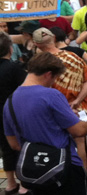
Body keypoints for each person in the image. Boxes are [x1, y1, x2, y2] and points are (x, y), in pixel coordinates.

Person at [2, 53, 87, 195]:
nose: (54, 83)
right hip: (64, 168)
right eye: (55, 78)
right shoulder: (51, 95)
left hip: (34, 171)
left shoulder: (9, 101)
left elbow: (14, 144)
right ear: (48, 74)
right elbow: (78, 130)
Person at [0, 33, 26, 195]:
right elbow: (26, 89)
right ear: (10, 49)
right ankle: (24, 183)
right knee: (21, 147)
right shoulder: (14, 68)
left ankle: (10, 184)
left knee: (5, 147)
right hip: (13, 113)